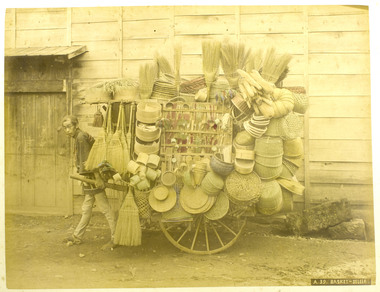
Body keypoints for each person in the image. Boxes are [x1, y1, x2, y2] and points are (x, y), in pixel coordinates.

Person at [62, 115, 116, 250]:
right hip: (90, 178)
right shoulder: (79, 136)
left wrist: (97, 178)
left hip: (93, 178)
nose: (67, 130)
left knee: (106, 209)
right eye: (65, 128)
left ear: (75, 125)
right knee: (86, 209)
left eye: (69, 127)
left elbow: (90, 162)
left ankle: (116, 238)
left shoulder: (80, 138)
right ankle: (77, 236)